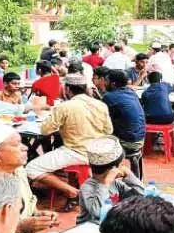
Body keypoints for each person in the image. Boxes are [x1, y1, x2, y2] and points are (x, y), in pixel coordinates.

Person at [27, 74, 113, 204]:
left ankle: (70, 190)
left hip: (75, 152)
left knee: (31, 168)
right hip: (98, 152)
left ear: (67, 89)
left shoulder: (64, 107)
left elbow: (45, 130)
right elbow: (109, 130)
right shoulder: (100, 105)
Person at [76, 136, 145, 224]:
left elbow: (141, 195)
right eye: (121, 164)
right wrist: (105, 184)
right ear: (112, 169)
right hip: (91, 230)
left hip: (111, 227)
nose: (123, 167)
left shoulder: (116, 183)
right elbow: (98, 212)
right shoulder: (87, 187)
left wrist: (129, 175)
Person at [102, 69, 146, 156]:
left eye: (106, 81)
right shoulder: (131, 92)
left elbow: (102, 118)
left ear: (113, 84)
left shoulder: (109, 97)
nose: (104, 83)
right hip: (140, 139)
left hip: (126, 142)